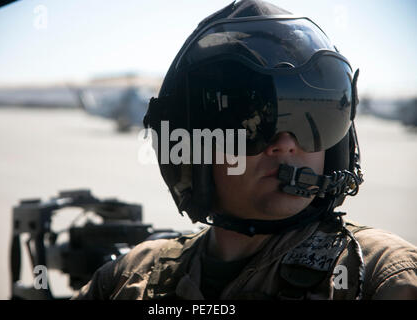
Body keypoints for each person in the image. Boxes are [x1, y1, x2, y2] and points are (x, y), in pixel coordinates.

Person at [72, 0, 417, 300]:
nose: (284, 143)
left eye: (315, 119)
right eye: (248, 123)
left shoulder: (381, 276)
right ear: (193, 147)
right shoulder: (128, 277)